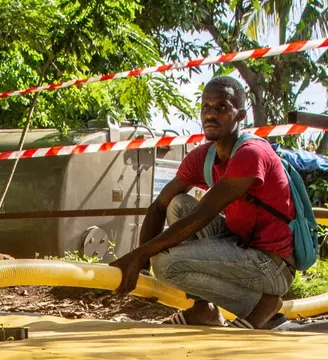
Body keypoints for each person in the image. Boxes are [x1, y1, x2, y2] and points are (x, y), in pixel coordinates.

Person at [111, 76, 296, 329]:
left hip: (271, 266)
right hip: (240, 244)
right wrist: (139, 265)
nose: (211, 115)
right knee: (178, 204)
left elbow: (204, 214)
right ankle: (203, 309)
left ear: (240, 115)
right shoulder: (205, 156)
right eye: (206, 107)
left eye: (221, 107)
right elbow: (160, 205)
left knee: (166, 265)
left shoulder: (251, 154)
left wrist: (140, 254)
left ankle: (262, 304)